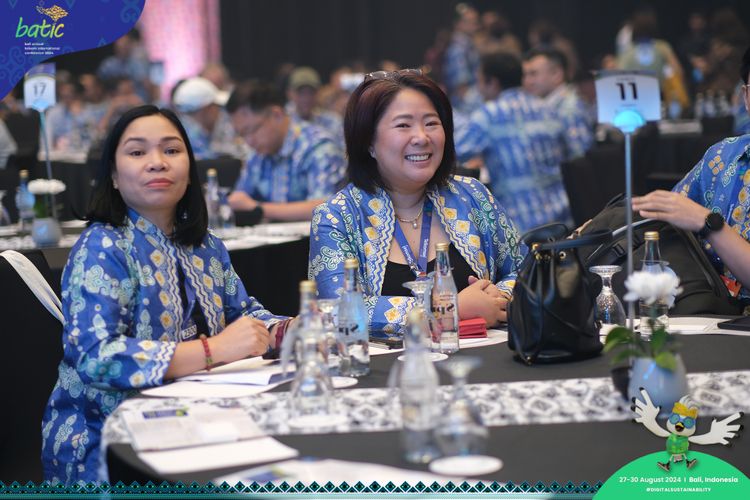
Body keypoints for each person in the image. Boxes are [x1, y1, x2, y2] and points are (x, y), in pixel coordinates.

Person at [41, 105, 289, 484]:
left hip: (195, 418)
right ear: (113, 175)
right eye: (137, 152)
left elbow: (243, 314)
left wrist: (289, 332)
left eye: (171, 150)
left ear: (189, 170)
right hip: (106, 436)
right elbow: (96, 356)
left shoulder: (205, 246)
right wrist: (213, 350)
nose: (158, 162)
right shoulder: (103, 247)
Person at [309, 70, 524, 334]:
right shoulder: (336, 217)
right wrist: (447, 308)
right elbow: (337, 311)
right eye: (403, 125)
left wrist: (498, 298)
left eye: (431, 123)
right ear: (368, 142)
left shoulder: (472, 195)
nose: (422, 137)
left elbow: (524, 271)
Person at [632, 46, 750, 305]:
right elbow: (665, 213)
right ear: (746, 97)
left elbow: (696, 217)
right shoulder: (722, 155)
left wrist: (708, 223)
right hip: (709, 311)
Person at [455, 51, 573, 233]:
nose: (478, 89)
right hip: (563, 221)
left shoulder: (488, 115)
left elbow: (453, 151)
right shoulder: (549, 109)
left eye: (479, 81)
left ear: (492, 82)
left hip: (520, 228)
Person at [226, 80, 346, 221]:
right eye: (242, 135)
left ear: (276, 115)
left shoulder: (318, 147)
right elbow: (241, 199)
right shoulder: (258, 154)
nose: (249, 141)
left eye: (251, 130)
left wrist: (259, 209)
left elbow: (326, 208)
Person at [522, 47, 593, 159]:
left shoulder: (570, 108)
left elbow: (580, 157)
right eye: (524, 75)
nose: (527, 81)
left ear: (556, 74)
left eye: (533, 74)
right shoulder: (547, 106)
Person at [172, 77, 249, 160]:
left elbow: (244, 156)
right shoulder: (193, 131)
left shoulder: (235, 124)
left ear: (210, 108)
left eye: (192, 113)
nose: (189, 119)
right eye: (187, 114)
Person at [286, 66, 344, 150]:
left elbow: (344, 152)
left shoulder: (333, 122)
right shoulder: (283, 124)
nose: (306, 98)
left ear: (318, 93)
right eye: (301, 92)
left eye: (311, 92)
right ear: (290, 93)